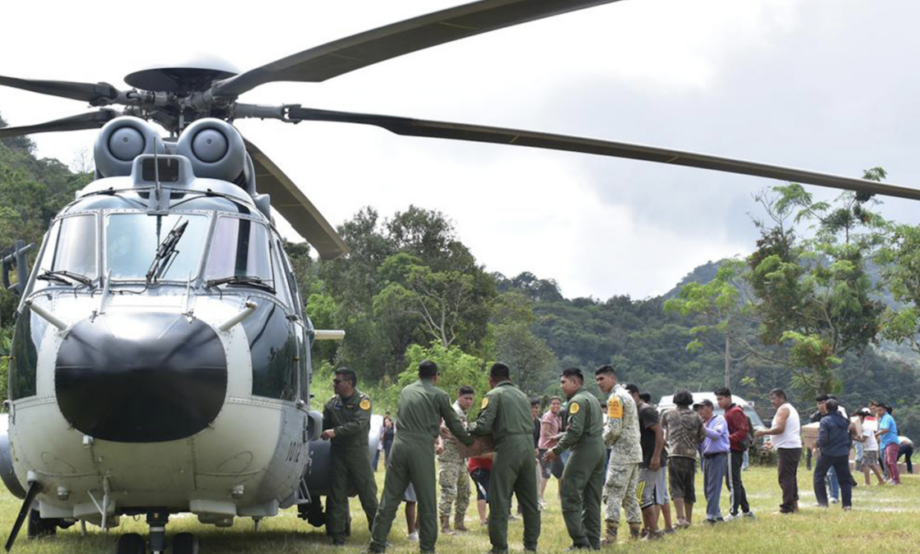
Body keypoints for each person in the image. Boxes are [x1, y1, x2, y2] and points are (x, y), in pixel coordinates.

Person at [367, 360, 474, 554]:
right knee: (426, 501)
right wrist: (469, 440)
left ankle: (376, 544)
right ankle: (427, 548)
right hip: (420, 448)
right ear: (435, 376)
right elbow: (455, 424)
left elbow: (410, 417)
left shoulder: (407, 390)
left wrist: (433, 427)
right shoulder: (440, 395)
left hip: (399, 445)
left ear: (419, 374)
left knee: (389, 498)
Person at [468, 363, 541, 554]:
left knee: (499, 499)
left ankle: (499, 547)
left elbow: (483, 426)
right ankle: (531, 546)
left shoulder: (494, 395)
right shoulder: (522, 396)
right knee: (530, 502)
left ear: (491, 379)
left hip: (507, 447)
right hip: (527, 447)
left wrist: (467, 427)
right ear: (509, 378)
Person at [544, 368, 605, 550]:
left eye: (564, 382)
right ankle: (594, 542)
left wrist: (557, 449)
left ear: (575, 383)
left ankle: (580, 541)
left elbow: (576, 431)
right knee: (592, 497)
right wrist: (562, 435)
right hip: (598, 448)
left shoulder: (576, 401)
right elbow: (585, 426)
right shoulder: (592, 398)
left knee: (569, 492)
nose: (561, 386)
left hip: (584, 449)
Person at [322, 368, 379, 546]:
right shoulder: (331, 404)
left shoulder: (363, 401)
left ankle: (378, 535)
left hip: (357, 453)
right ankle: (338, 536)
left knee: (368, 494)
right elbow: (324, 426)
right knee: (337, 494)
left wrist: (334, 432)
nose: (334, 384)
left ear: (349, 383)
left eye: (337, 381)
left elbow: (358, 425)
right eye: (334, 381)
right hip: (338, 453)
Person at [593, 366, 642, 545]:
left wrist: (600, 442)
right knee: (629, 495)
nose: (599, 383)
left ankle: (611, 536)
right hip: (634, 452)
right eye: (597, 380)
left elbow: (613, 429)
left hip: (622, 453)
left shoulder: (615, 398)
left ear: (612, 378)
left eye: (602, 379)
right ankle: (635, 534)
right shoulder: (627, 395)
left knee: (612, 493)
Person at [661, 389, 704, 529]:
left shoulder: (668, 414)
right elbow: (701, 436)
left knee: (676, 487)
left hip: (674, 454)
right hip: (690, 456)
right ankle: (689, 519)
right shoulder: (696, 416)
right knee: (688, 487)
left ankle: (680, 518)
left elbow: (664, 431)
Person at [755, 389, 802, 514]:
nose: (772, 402)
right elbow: (787, 430)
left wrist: (763, 432)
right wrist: (774, 442)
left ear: (781, 398)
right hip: (790, 446)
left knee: (785, 478)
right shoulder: (788, 408)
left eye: (774, 399)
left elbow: (779, 428)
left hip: (788, 448)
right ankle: (794, 505)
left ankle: (786, 508)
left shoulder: (783, 409)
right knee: (791, 478)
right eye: (771, 399)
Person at [629, 387, 666, 539]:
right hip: (641, 459)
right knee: (639, 495)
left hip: (651, 460)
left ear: (636, 395)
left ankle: (655, 532)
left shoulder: (645, 410)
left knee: (643, 495)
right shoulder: (634, 411)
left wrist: (656, 456)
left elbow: (660, 432)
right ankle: (647, 530)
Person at [438, 385, 475, 535]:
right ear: (458, 396)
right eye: (466, 398)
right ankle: (445, 526)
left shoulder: (463, 413)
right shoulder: (454, 412)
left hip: (460, 460)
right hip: (449, 459)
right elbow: (461, 434)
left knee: (465, 492)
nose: (469, 401)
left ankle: (459, 523)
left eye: (471, 399)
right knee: (449, 492)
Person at [715, 388, 752, 520]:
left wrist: (725, 438)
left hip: (733, 450)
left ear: (729, 398)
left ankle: (734, 512)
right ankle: (746, 511)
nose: (719, 402)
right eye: (717, 399)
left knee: (732, 482)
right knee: (735, 481)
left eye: (721, 399)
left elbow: (743, 431)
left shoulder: (735, 411)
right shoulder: (728, 412)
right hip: (730, 449)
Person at [813, 399, 855, 509]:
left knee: (818, 476)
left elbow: (823, 439)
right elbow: (850, 434)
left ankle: (822, 503)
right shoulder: (844, 421)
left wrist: (816, 444)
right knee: (844, 479)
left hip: (828, 453)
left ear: (826, 408)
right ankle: (847, 505)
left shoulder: (825, 420)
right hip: (842, 453)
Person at [697, 399, 730, 523]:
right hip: (707, 458)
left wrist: (700, 428)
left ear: (710, 407)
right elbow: (700, 444)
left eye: (703, 407)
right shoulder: (702, 423)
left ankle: (711, 517)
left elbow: (716, 434)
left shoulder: (719, 419)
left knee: (713, 488)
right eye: (698, 409)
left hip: (718, 456)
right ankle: (717, 514)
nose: (700, 411)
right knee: (707, 489)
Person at [538, 396, 564, 503]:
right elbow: (545, 432)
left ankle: (560, 496)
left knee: (561, 473)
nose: (556, 405)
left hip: (555, 449)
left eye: (558, 403)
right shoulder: (547, 416)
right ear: (550, 405)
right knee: (546, 473)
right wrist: (557, 437)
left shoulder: (557, 417)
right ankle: (540, 497)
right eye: (553, 403)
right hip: (546, 448)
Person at [853, 409, 885, 486]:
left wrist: (852, 438)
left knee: (865, 464)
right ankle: (881, 480)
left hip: (871, 448)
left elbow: (863, 439)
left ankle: (868, 482)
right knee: (871, 465)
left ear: (861, 417)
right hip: (869, 448)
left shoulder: (866, 427)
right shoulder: (862, 426)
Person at [873, 402, 901, 485]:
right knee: (886, 462)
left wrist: (875, 434)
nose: (878, 412)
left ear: (885, 410)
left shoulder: (887, 418)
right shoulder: (882, 418)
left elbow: (886, 429)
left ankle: (896, 480)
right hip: (885, 443)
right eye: (877, 411)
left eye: (880, 410)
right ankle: (892, 478)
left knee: (891, 461)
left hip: (891, 442)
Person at [468, 452, 493, 526]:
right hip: (477, 468)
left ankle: (490, 518)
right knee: (483, 493)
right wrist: (491, 455)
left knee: (493, 493)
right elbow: (472, 453)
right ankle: (483, 520)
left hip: (490, 468)